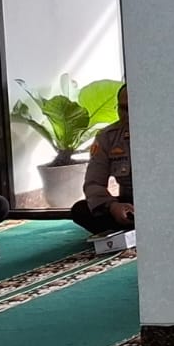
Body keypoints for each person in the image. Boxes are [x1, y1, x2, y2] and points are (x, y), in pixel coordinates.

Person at [70, 84, 132, 234]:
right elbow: (94, 183)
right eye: (123, 108)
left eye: (133, 108)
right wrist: (113, 206)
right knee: (81, 210)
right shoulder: (107, 137)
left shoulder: (169, 133)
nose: (128, 115)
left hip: (166, 204)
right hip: (130, 205)